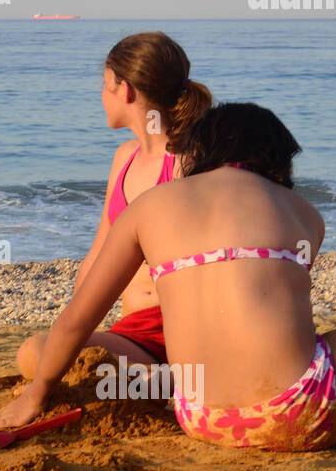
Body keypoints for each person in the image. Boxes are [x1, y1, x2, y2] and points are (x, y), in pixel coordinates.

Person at [0, 103, 336, 451]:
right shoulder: (303, 214)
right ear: (276, 159)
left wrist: (36, 393)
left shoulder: (147, 208)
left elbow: (79, 317)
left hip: (200, 417)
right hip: (296, 408)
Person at [17, 32, 210, 377]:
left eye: (105, 84)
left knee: (49, 359)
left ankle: (174, 381)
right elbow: (100, 251)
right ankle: (158, 382)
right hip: (134, 334)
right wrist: (69, 328)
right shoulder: (124, 158)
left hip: (183, 330)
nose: (101, 95)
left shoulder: (187, 163)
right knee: (37, 352)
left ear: (126, 90)